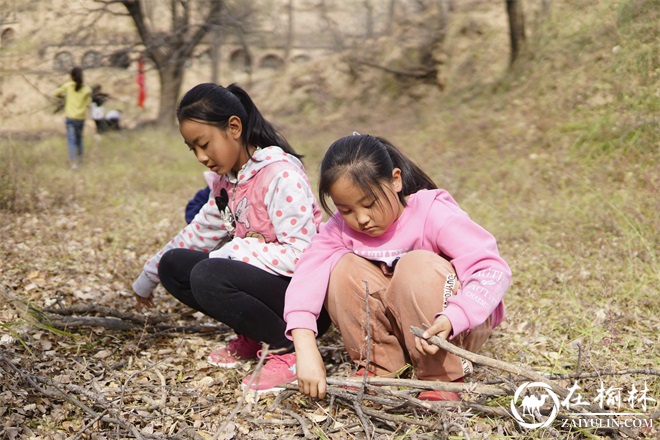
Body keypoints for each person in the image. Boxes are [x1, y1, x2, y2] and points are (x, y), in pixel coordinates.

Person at [132, 82, 331, 394]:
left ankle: (286, 347)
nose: (200, 156)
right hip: (269, 289)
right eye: (193, 149)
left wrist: (234, 250)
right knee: (175, 265)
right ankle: (255, 334)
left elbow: (302, 256)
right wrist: (148, 277)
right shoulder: (228, 184)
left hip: (305, 304)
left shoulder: (281, 176)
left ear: (234, 127)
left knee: (209, 272)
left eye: (204, 144)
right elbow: (196, 234)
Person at [282, 134, 511, 401]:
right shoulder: (339, 229)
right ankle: (380, 367)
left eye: (369, 204)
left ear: (395, 180)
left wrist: (455, 317)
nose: (362, 219)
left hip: (453, 330)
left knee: (416, 265)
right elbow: (307, 276)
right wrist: (305, 346)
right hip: (405, 330)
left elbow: (491, 269)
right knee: (340, 268)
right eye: (346, 210)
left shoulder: (432, 213)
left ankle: (442, 378)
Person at [55, 66, 92, 169]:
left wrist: (64, 96)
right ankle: (80, 161)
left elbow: (56, 93)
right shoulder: (87, 89)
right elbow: (88, 103)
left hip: (70, 117)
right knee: (79, 140)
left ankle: (74, 163)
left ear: (71, 76)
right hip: (80, 118)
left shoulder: (68, 86)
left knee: (71, 140)